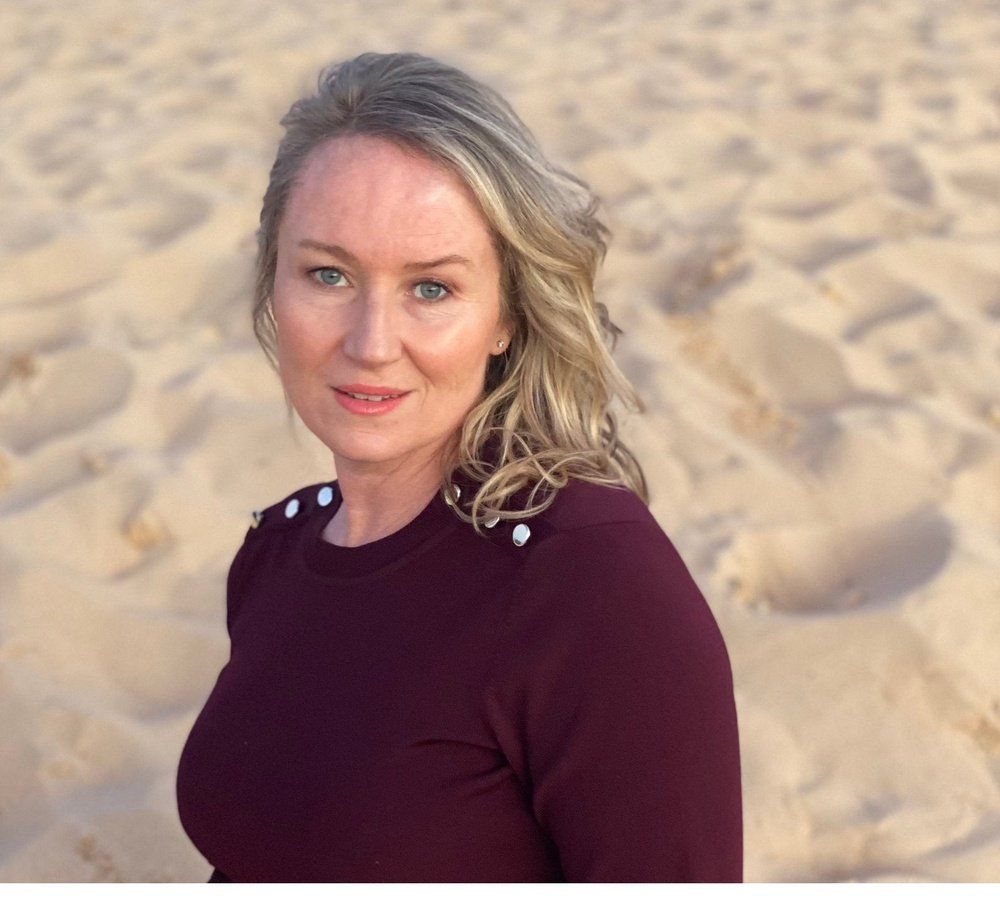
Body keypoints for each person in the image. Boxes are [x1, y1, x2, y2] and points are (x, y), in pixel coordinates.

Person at [175, 51, 742, 882]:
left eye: (431, 289)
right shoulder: (276, 550)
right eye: (328, 275)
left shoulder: (595, 589)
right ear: (273, 287)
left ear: (506, 315)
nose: (372, 343)